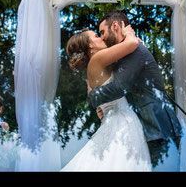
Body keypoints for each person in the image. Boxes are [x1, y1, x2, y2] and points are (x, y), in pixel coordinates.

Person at [88, 11, 182, 171]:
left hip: (158, 129)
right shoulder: (125, 51)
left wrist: (93, 98)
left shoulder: (135, 50)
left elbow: (119, 87)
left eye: (102, 32)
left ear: (115, 26)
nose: (102, 37)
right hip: (148, 129)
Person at [61, 21, 152, 171]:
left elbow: (99, 104)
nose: (102, 38)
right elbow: (132, 43)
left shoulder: (95, 67)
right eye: (96, 36)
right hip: (121, 123)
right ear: (90, 45)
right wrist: (127, 31)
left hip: (114, 121)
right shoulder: (97, 59)